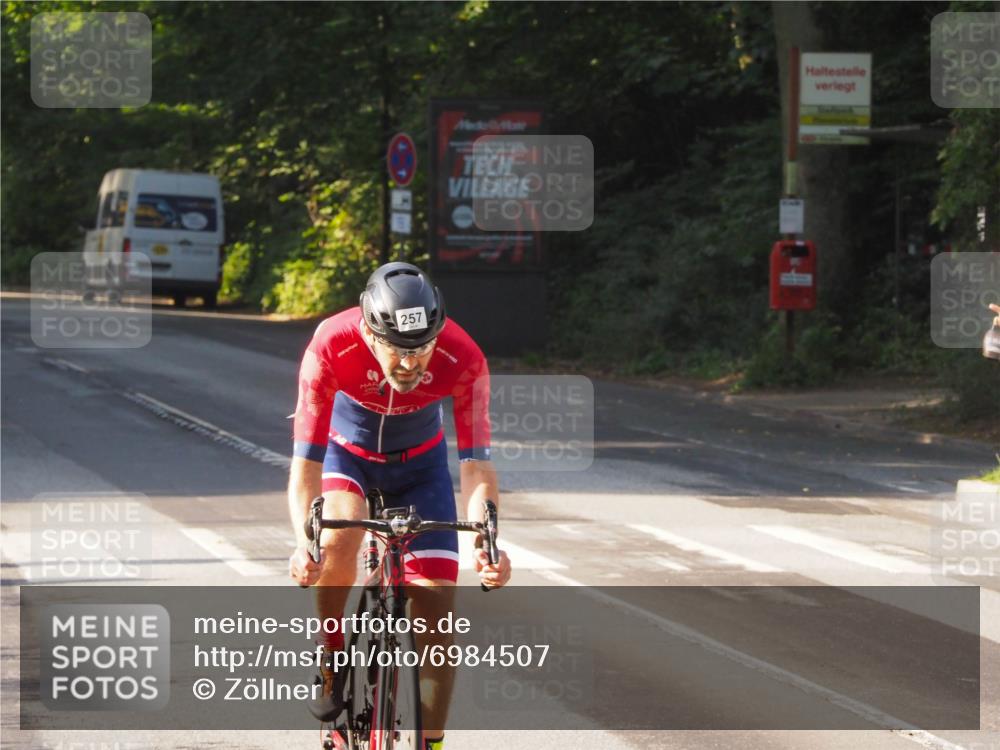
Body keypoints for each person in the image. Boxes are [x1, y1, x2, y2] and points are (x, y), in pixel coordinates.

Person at [287, 262, 511, 750]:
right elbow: (306, 461)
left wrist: (487, 544)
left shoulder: (463, 355)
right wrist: (305, 542)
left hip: (421, 469)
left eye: (422, 348)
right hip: (349, 457)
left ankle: (431, 743)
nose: (412, 364)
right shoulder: (331, 342)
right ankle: (331, 651)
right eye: (398, 350)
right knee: (338, 536)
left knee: (437, 616)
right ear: (370, 334)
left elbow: (476, 466)